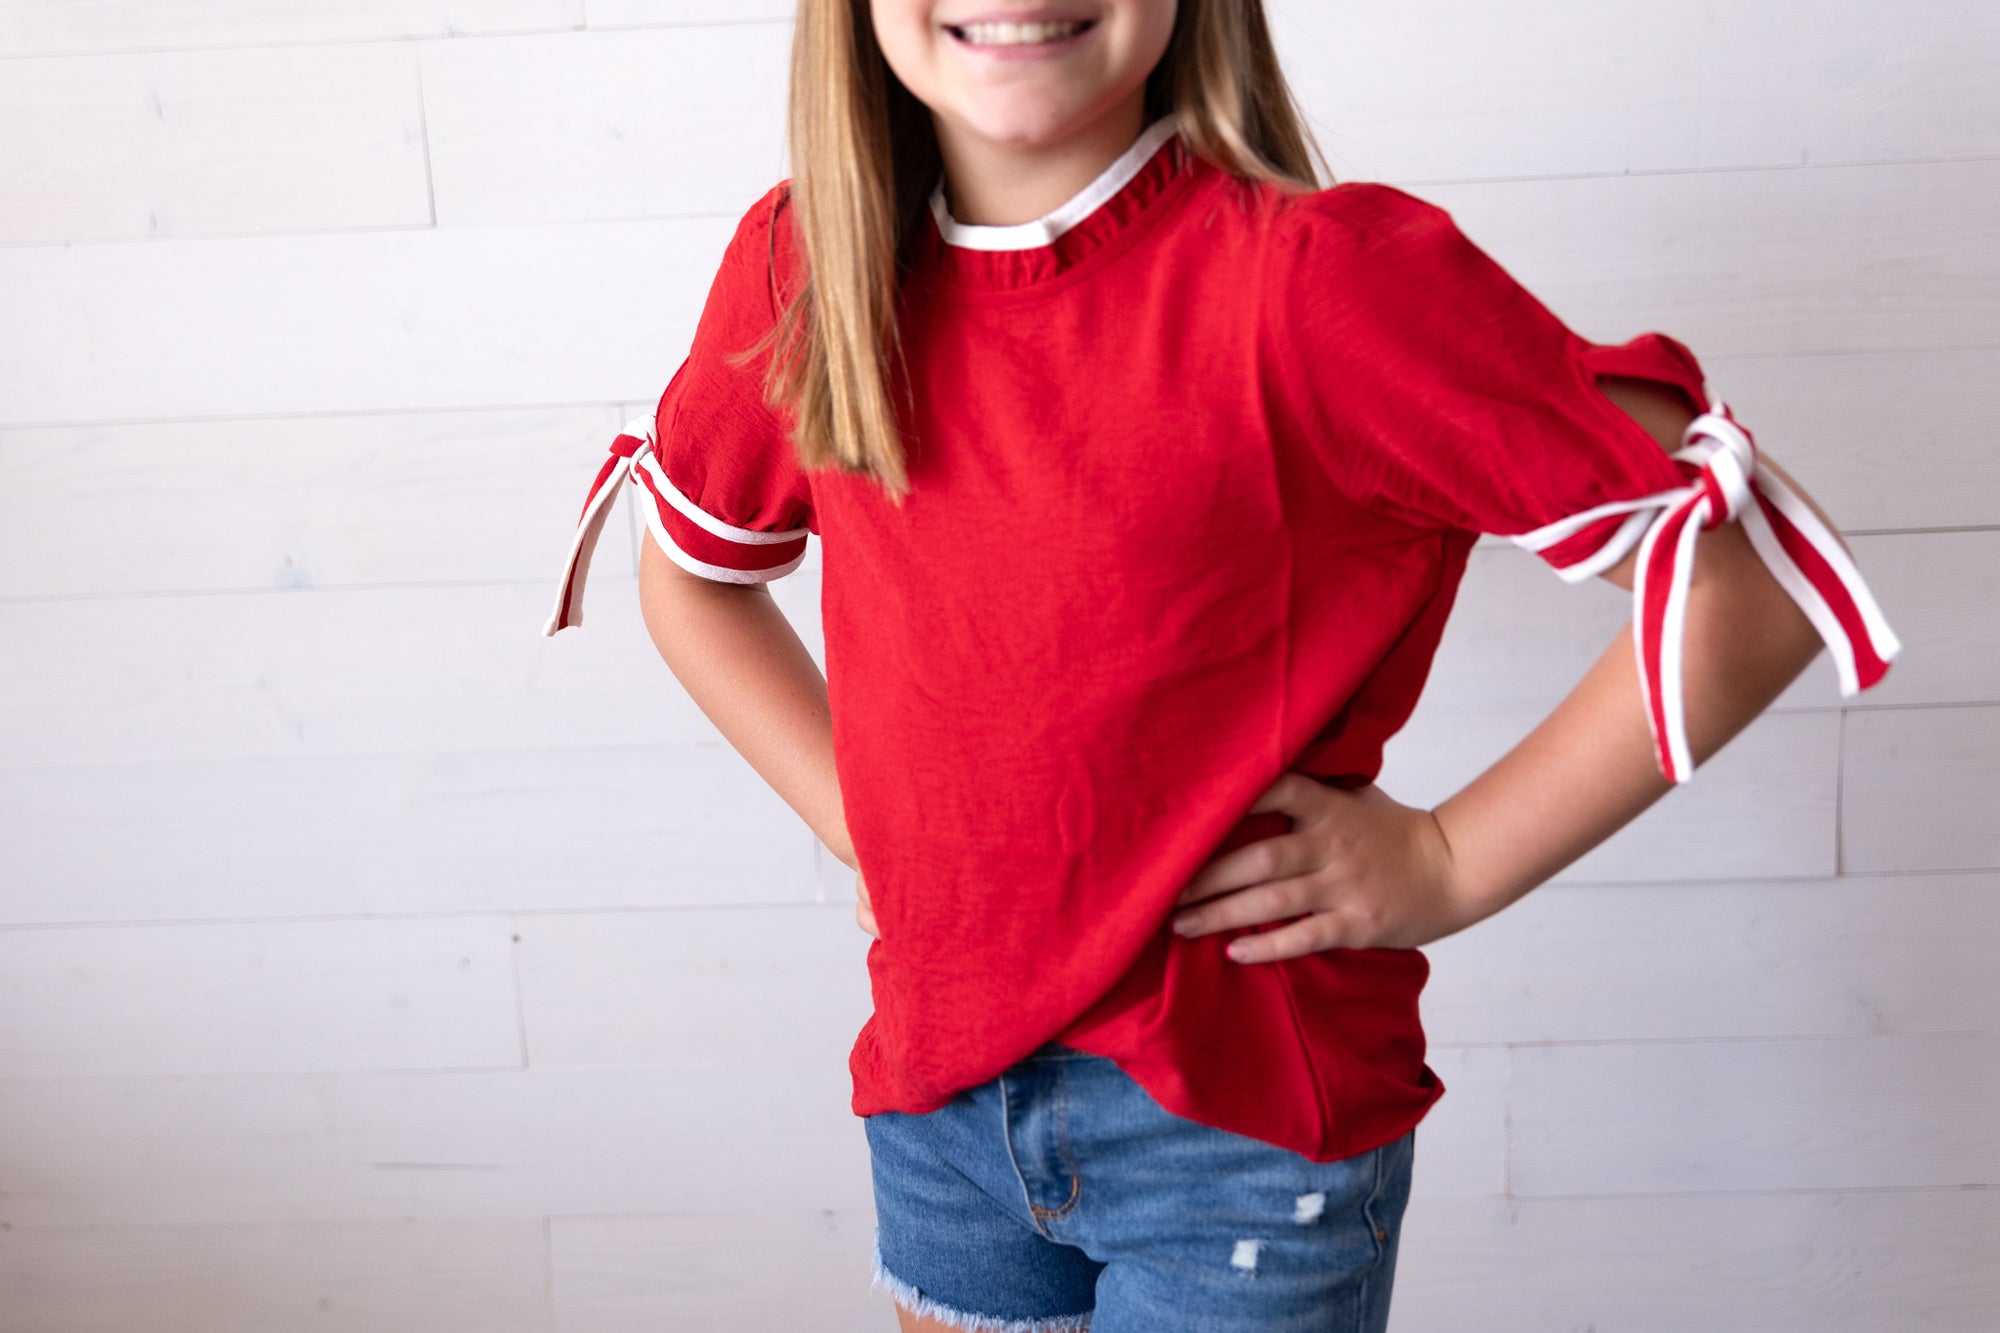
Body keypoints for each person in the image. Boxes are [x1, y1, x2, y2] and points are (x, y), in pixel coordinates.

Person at [543, 2, 1902, 1329]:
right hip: (941, 1107)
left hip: (1238, 1139)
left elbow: (1748, 585)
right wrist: (880, 828)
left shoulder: (1315, 281)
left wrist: (1444, 857)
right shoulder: (807, 268)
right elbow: (696, 584)